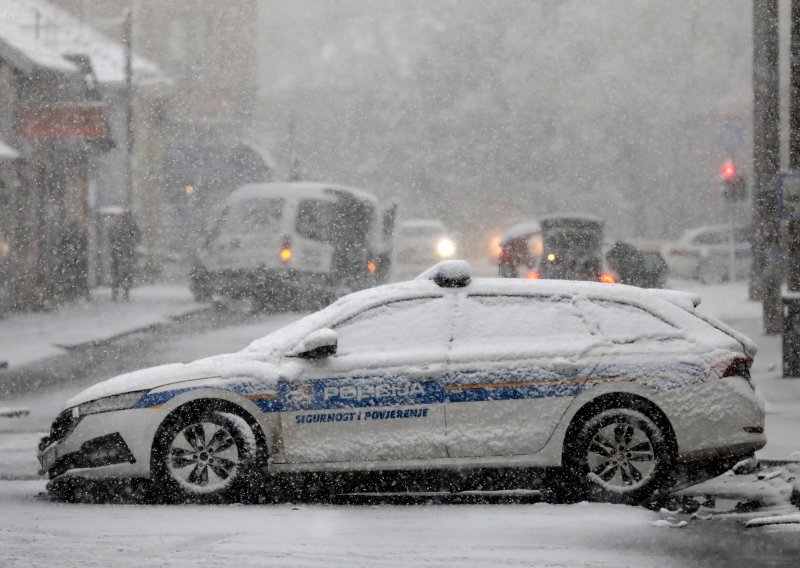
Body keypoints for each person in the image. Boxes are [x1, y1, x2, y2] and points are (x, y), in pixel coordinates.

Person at [109, 211, 140, 301]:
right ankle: (117, 293)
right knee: (118, 275)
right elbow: (111, 236)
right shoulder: (118, 225)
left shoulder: (130, 225)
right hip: (119, 253)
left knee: (125, 275)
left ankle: (124, 293)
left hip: (125, 254)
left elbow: (137, 237)